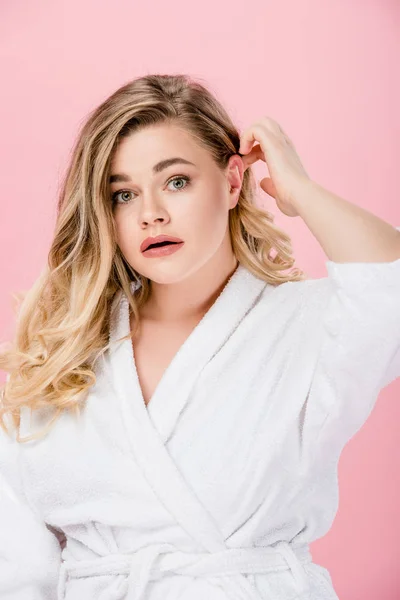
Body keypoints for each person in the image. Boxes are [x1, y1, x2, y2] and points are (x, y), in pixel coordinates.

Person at [0, 73, 399, 600]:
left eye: (177, 181)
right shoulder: (62, 353)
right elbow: (16, 558)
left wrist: (299, 189)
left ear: (233, 182)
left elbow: (388, 287)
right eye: (123, 194)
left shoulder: (306, 326)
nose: (151, 214)